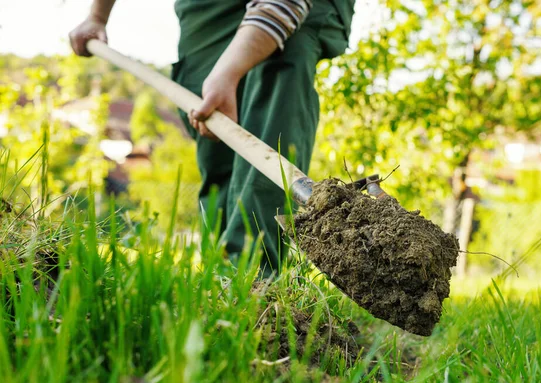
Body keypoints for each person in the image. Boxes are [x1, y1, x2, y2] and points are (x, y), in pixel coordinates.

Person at [69, 0, 355, 277]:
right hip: (210, 9)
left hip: (299, 9)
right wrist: (98, 16)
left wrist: (228, 73)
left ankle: (255, 277)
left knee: (278, 72)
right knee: (211, 117)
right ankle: (222, 272)